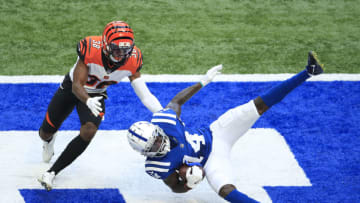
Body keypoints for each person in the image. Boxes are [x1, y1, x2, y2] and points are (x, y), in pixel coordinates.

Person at [127, 51, 324, 202]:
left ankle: (308, 72)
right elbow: (174, 187)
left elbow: (177, 101)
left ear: (159, 131)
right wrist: (189, 184)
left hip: (217, 133)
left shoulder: (165, 122)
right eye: (152, 147)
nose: (159, 144)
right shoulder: (157, 166)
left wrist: (203, 81)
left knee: (257, 106)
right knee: (226, 191)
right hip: (210, 162)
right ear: (145, 153)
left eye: (158, 138)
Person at [38, 21, 163, 191]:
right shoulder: (90, 48)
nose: (122, 54)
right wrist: (87, 100)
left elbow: (146, 95)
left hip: (96, 93)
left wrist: (163, 114)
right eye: (117, 49)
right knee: (45, 132)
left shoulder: (133, 60)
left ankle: (52, 172)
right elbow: (77, 85)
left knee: (89, 130)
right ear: (105, 46)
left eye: (126, 50)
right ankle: (49, 141)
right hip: (73, 88)